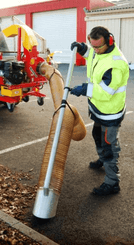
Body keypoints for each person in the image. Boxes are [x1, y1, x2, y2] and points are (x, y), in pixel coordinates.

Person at [70, 26, 129, 196]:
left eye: (98, 47)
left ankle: (112, 183)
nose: (95, 50)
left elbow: (106, 92)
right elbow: (92, 55)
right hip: (98, 109)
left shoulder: (116, 65)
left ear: (109, 41)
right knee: (97, 136)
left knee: (109, 146)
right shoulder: (99, 51)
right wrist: (83, 49)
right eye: (92, 45)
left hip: (110, 113)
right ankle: (103, 160)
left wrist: (84, 89)